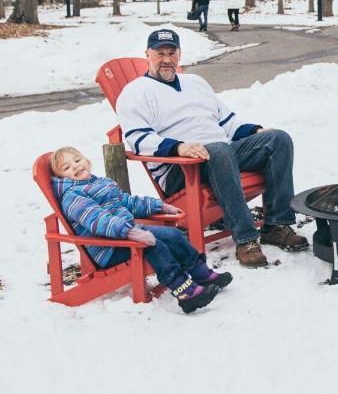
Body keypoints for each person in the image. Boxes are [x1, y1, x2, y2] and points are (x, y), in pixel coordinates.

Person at [116, 28, 309, 268]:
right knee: (219, 149)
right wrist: (179, 147)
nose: (166, 59)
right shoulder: (134, 92)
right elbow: (137, 139)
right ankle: (246, 239)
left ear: (179, 55)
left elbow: (227, 122)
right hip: (182, 170)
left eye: (171, 52)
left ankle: (277, 225)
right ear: (147, 54)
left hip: (221, 154)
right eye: (159, 53)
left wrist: (256, 132)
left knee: (278, 139)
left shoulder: (196, 83)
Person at [50, 145, 232, 314]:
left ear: (87, 161)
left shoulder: (101, 183)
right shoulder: (73, 197)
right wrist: (130, 233)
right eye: (66, 168)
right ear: (61, 177)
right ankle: (185, 292)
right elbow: (98, 221)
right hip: (108, 248)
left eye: (76, 160)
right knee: (155, 246)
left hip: (128, 234)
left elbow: (128, 202)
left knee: (174, 235)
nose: (74, 167)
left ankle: (201, 273)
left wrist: (159, 206)